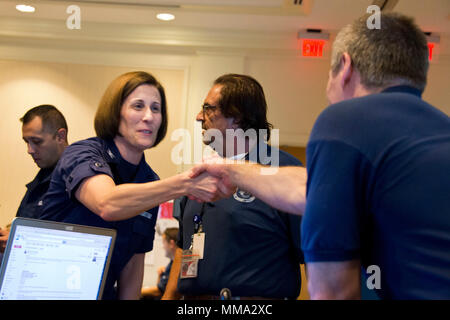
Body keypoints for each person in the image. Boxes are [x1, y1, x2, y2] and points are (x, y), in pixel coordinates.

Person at [191, 13, 450, 299]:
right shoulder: (438, 131)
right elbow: (310, 188)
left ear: (346, 67)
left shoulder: (344, 120)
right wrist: (232, 169)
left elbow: (333, 289)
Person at [39, 71, 221, 300]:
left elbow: (134, 263)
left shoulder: (149, 181)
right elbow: (107, 203)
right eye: (138, 106)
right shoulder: (82, 153)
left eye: (156, 108)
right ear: (115, 113)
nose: (149, 116)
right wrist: (184, 183)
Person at [162, 74, 304, 300]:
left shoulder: (282, 172)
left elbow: (317, 255)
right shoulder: (200, 175)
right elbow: (184, 247)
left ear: (236, 117)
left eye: (208, 109)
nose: (199, 117)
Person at [0, 105, 68, 253]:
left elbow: (76, 241)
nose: (29, 150)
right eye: (26, 142)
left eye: (36, 142)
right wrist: (11, 234)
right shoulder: (43, 175)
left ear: (60, 137)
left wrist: (20, 241)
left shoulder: (76, 177)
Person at [141, 227, 179, 300]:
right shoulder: (171, 263)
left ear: (171, 243)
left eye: (163, 242)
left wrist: (138, 291)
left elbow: (158, 291)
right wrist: (160, 275)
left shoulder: (176, 265)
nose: (163, 247)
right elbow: (161, 288)